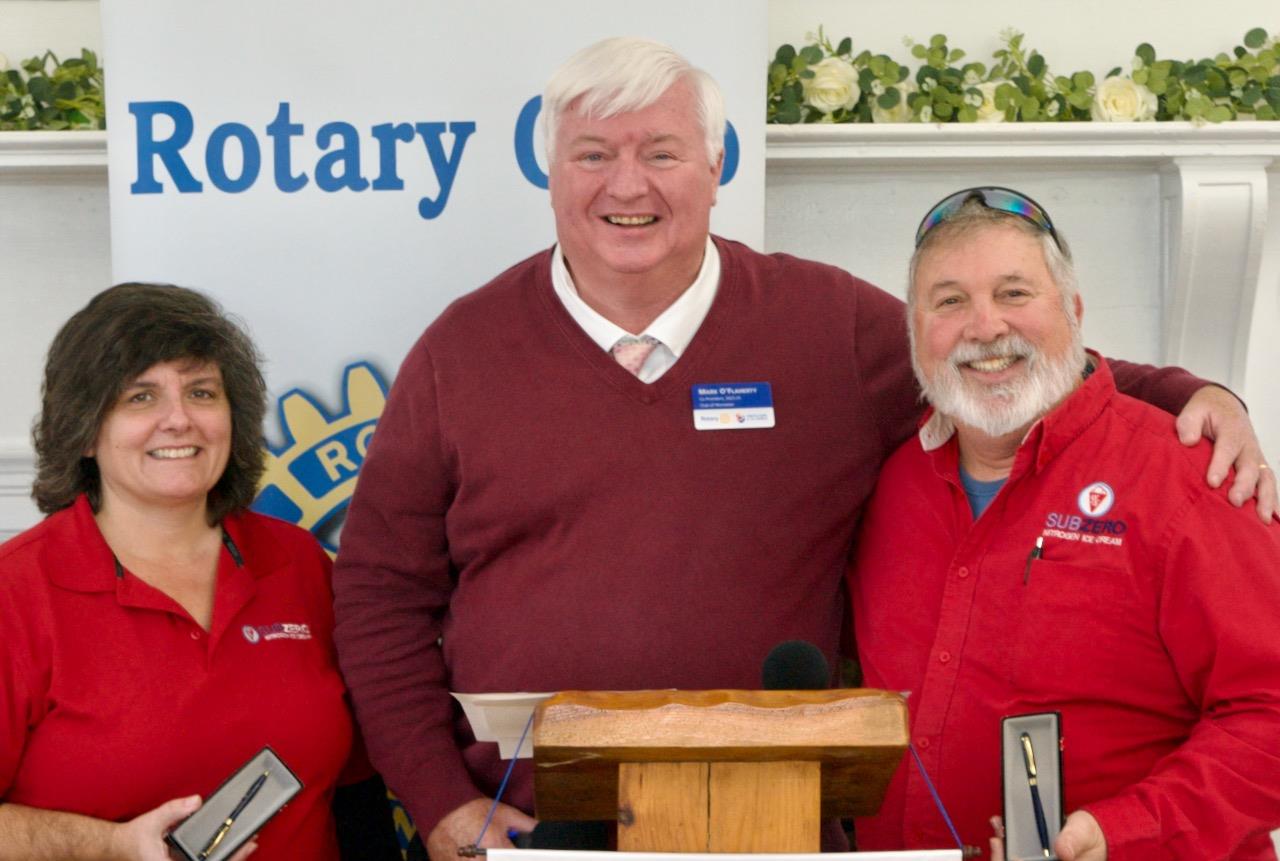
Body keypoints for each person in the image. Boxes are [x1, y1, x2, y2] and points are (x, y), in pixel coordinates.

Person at [331, 39, 1276, 860]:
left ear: (714, 168)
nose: (628, 184)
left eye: (662, 151)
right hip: (536, 831)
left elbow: (999, 365)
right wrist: (439, 799)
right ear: (551, 175)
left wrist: (1192, 395)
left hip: (781, 829)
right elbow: (378, 595)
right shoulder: (463, 350)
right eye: (593, 154)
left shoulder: (828, 327)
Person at [850, 188, 1280, 859]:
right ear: (914, 335)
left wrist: (1125, 828)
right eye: (950, 300)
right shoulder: (890, 484)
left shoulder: (1188, 477)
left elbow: (1271, 709)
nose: (985, 326)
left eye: (1015, 293)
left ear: (1074, 312)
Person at [0, 284, 362, 860]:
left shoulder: (297, 564)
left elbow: (354, 785)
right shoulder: (16, 593)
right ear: (86, 430)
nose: (179, 420)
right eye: (140, 398)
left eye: (201, 391)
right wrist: (110, 846)